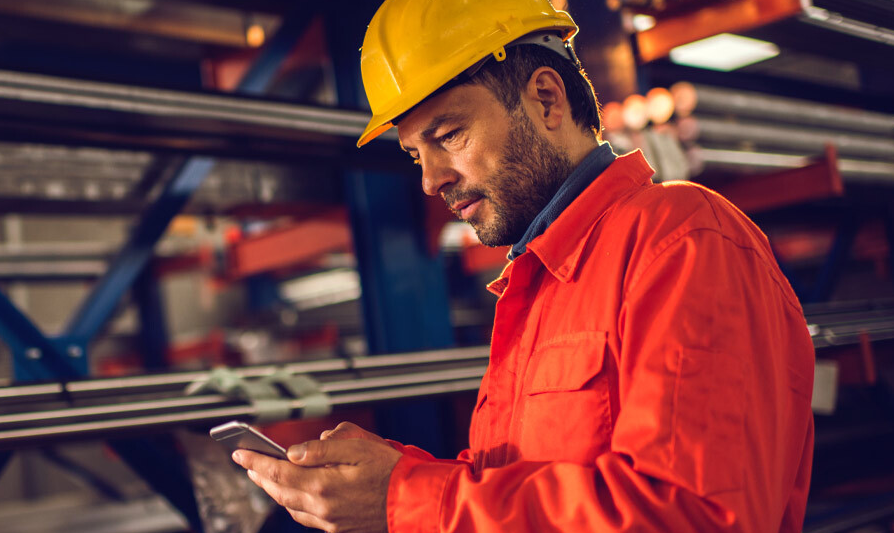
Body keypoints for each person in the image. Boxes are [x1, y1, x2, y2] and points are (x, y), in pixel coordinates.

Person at [231, 0, 816, 531]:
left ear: (545, 98)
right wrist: (382, 477)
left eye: (449, 135)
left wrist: (406, 497)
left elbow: (695, 515)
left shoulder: (683, 240)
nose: (432, 180)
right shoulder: (538, 283)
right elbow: (520, 480)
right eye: (417, 154)